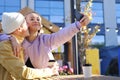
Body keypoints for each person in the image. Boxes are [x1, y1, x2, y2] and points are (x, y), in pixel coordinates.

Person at [0, 12, 90, 69]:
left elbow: (62, 35)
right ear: (24, 24)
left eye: (38, 19)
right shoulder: (18, 40)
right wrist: (11, 38)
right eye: (32, 19)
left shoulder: (45, 40)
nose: (36, 21)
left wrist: (78, 25)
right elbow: (3, 35)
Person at [0, 12, 59, 80]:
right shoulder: (6, 47)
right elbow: (23, 73)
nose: (28, 25)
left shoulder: (18, 44)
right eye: (26, 23)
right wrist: (49, 71)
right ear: (19, 29)